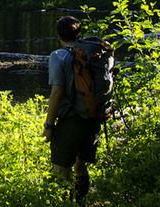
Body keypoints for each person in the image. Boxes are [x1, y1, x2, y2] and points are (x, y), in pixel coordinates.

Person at [42, 15, 102, 202]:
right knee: (80, 166)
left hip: (71, 121)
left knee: (61, 170)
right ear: (80, 34)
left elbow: (57, 92)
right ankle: (81, 202)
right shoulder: (92, 53)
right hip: (93, 119)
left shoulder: (58, 56)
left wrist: (49, 125)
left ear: (59, 35)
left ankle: (65, 203)